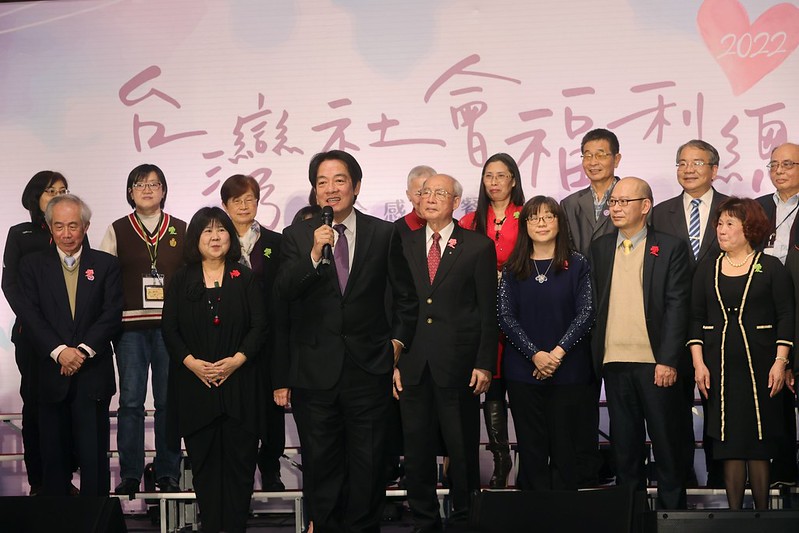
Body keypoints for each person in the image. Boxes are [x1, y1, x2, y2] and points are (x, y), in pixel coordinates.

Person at [274, 150, 417, 532]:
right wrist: (312, 255)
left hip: (368, 369)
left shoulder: (383, 233)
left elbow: (406, 299)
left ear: (355, 186)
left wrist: (396, 346)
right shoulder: (296, 236)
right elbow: (284, 292)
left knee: (368, 465)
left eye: (339, 180)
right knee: (322, 465)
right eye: (322, 182)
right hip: (315, 373)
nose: (330, 188)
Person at [394, 173, 496, 531]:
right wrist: (393, 360)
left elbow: (487, 311)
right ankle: (424, 520)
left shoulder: (478, 246)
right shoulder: (401, 243)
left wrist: (484, 362)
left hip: (459, 364)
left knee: (462, 448)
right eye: (425, 192)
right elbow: (394, 305)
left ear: (455, 202)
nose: (431, 198)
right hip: (413, 362)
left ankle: (465, 518)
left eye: (440, 193)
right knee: (417, 450)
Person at [162, 207, 266, 532]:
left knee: (240, 468)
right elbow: (170, 329)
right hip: (196, 387)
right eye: (207, 231)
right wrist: (192, 363)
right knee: (204, 470)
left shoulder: (244, 277)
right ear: (196, 238)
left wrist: (237, 360)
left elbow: (260, 326)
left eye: (221, 230)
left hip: (240, 387)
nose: (215, 237)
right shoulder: (181, 280)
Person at [590, 177, 690, 509]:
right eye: (612, 202)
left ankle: (673, 517)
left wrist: (668, 359)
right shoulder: (601, 247)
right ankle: (630, 515)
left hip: (655, 363)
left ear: (645, 206)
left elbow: (678, 306)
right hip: (614, 361)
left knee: (667, 444)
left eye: (624, 202)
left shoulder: (671, 247)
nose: (615, 208)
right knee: (625, 448)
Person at [689, 197, 794, 509]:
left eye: (729, 224)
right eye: (719, 224)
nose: (721, 230)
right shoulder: (708, 267)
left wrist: (780, 361)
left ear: (749, 228)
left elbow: (786, 315)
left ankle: (762, 516)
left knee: (758, 443)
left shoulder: (769, 266)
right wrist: (698, 364)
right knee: (729, 443)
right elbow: (695, 317)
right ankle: (734, 516)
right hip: (719, 367)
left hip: (761, 367)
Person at [18, 194, 122, 497]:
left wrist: (82, 351)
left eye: (73, 226)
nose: (66, 234)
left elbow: (112, 313)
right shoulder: (31, 265)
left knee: (94, 459)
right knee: (53, 460)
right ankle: (57, 517)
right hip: (50, 373)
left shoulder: (106, 264)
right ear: (50, 227)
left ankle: (96, 518)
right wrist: (59, 351)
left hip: (93, 373)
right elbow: (30, 315)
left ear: (86, 227)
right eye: (59, 226)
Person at [99, 164, 185, 495]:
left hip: (170, 329)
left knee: (168, 402)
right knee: (131, 402)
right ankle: (131, 474)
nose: (147, 190)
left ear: (164, 190)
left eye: (154, 184)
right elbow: (103, 278)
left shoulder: (181, 229)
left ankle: (168, 472)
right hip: (129, 329)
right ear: (130, 192)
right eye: (139, 184)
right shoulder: (117, 229)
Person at [498, 196, 594, 490]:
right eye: (533, 217)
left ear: (559, 222)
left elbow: (586, 313)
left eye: (548, 217)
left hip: (569, 370)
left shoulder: (577, 263)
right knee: (531, 451)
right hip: (523, 371)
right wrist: (535, 355)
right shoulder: (513, 267)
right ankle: (534, 510)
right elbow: (505, 317)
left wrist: (556, 354)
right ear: (525, 225)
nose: (541, 223)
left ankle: (566, 511)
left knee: (567, 450)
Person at [651, 140, 729, 488]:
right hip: (672, 324)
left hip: (722, 322)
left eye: (697, 162)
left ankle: (720, 474)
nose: (688, 169)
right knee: (673, 405)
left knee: (720, 402)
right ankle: (680, 475)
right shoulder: (659, 213)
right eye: (682, 163)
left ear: (714, 169)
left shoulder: (733, 209)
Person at [2, 172, 72, 495]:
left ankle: (64, 478)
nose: (58, 195)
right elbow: (9, 284)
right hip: (30, 335)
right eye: (50, 191)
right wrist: (34, 321)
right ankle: (39, 481)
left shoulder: (73, 232)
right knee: (35, 405)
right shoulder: (20, 234)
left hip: (69, 336)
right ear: (35, 197)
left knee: (67, 405)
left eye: (63, 190)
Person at [458, 152, 524, 488]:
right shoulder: (470, 220)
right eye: (489, 176)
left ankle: (529, 459)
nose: (494, 182)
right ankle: (501, 458)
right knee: (491, 382)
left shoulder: (527, 215)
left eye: (501, 175)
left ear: (513, 180)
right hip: (482, 313)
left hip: (522, 311)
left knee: (523, 386)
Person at [560, 128, 622, 487]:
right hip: (579, 314)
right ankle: (585, 471)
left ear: (616, 158)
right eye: (587, 154)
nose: (593, 161)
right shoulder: (570, 204)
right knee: (582, 398)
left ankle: (626, 471)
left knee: (623, 399)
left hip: (621, 309)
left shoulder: (631, 197)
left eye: (601, 154)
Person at [220, 174, 285, 491]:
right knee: (238, 408)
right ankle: (239, 475)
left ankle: (271, 468)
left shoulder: (276, 242)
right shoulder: (217, 242)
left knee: (273, 407)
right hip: (231, 338)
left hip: (269, 336)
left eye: (250, 199)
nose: (244, 206)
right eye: (237, 200)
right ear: (225, 205)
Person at [756, 142, 799, 488]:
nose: (779, 170)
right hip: (765, 315)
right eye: (774, 165)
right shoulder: (756, 209)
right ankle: (782, 472)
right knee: (774, 395)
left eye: (788, 164)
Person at [395, 165, 436, 237]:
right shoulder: (397, 229)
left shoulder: (452, 226)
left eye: (428, 192)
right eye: (419, 193)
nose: (427, 199)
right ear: (408, 195)